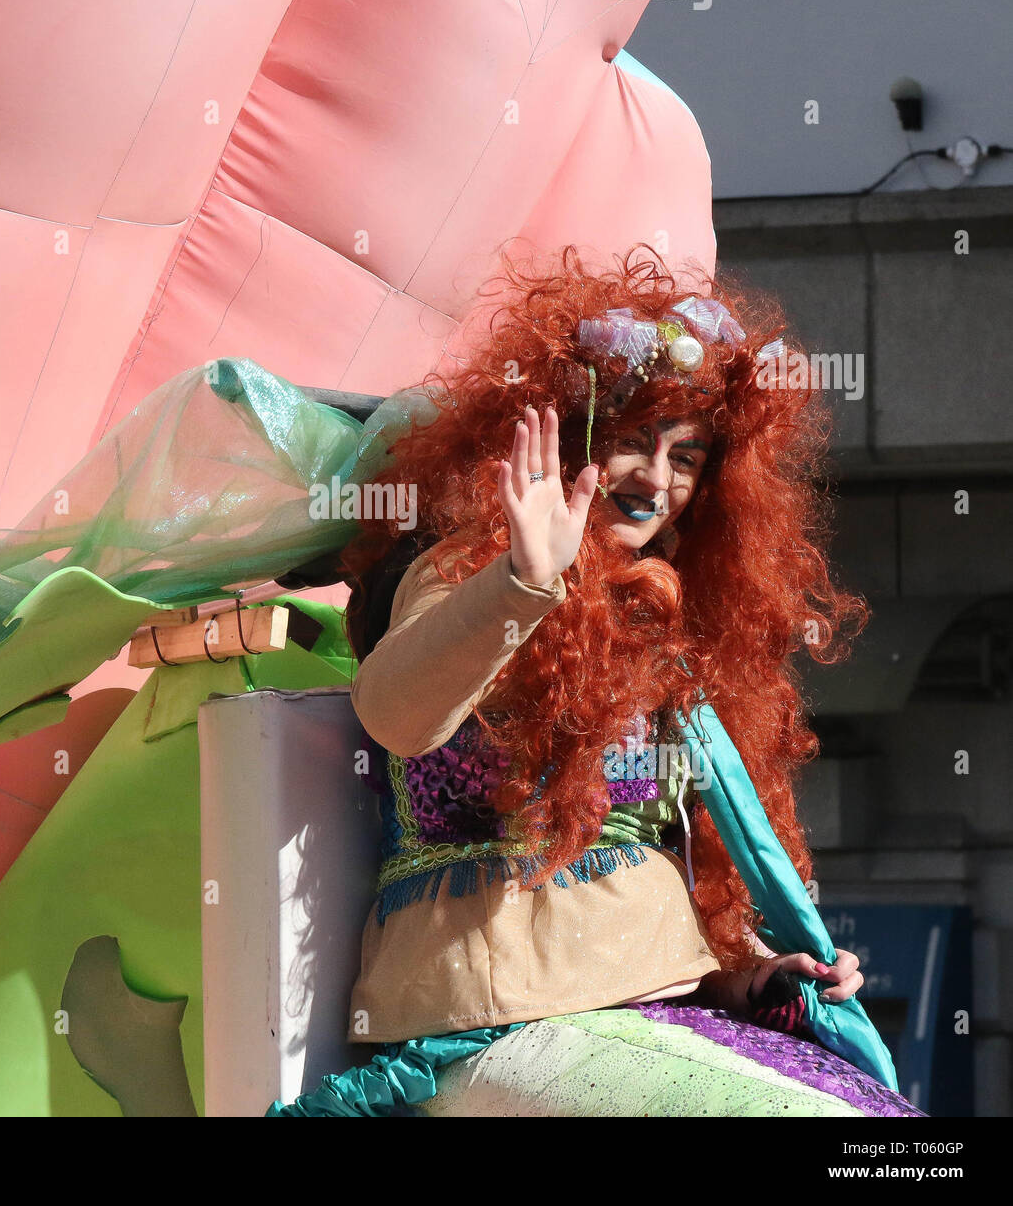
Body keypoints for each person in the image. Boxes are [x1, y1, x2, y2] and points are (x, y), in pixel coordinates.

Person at [267, 246, 923, 1116]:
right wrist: (521, 580)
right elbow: (394, 712)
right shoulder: (472, 566)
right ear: (563, 439)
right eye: (630, 444)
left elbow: (655, 863)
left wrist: (746, 971)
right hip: (489, 1018)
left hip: (656, 1009)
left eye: (686, 456)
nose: (658, 481)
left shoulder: (668, 621)